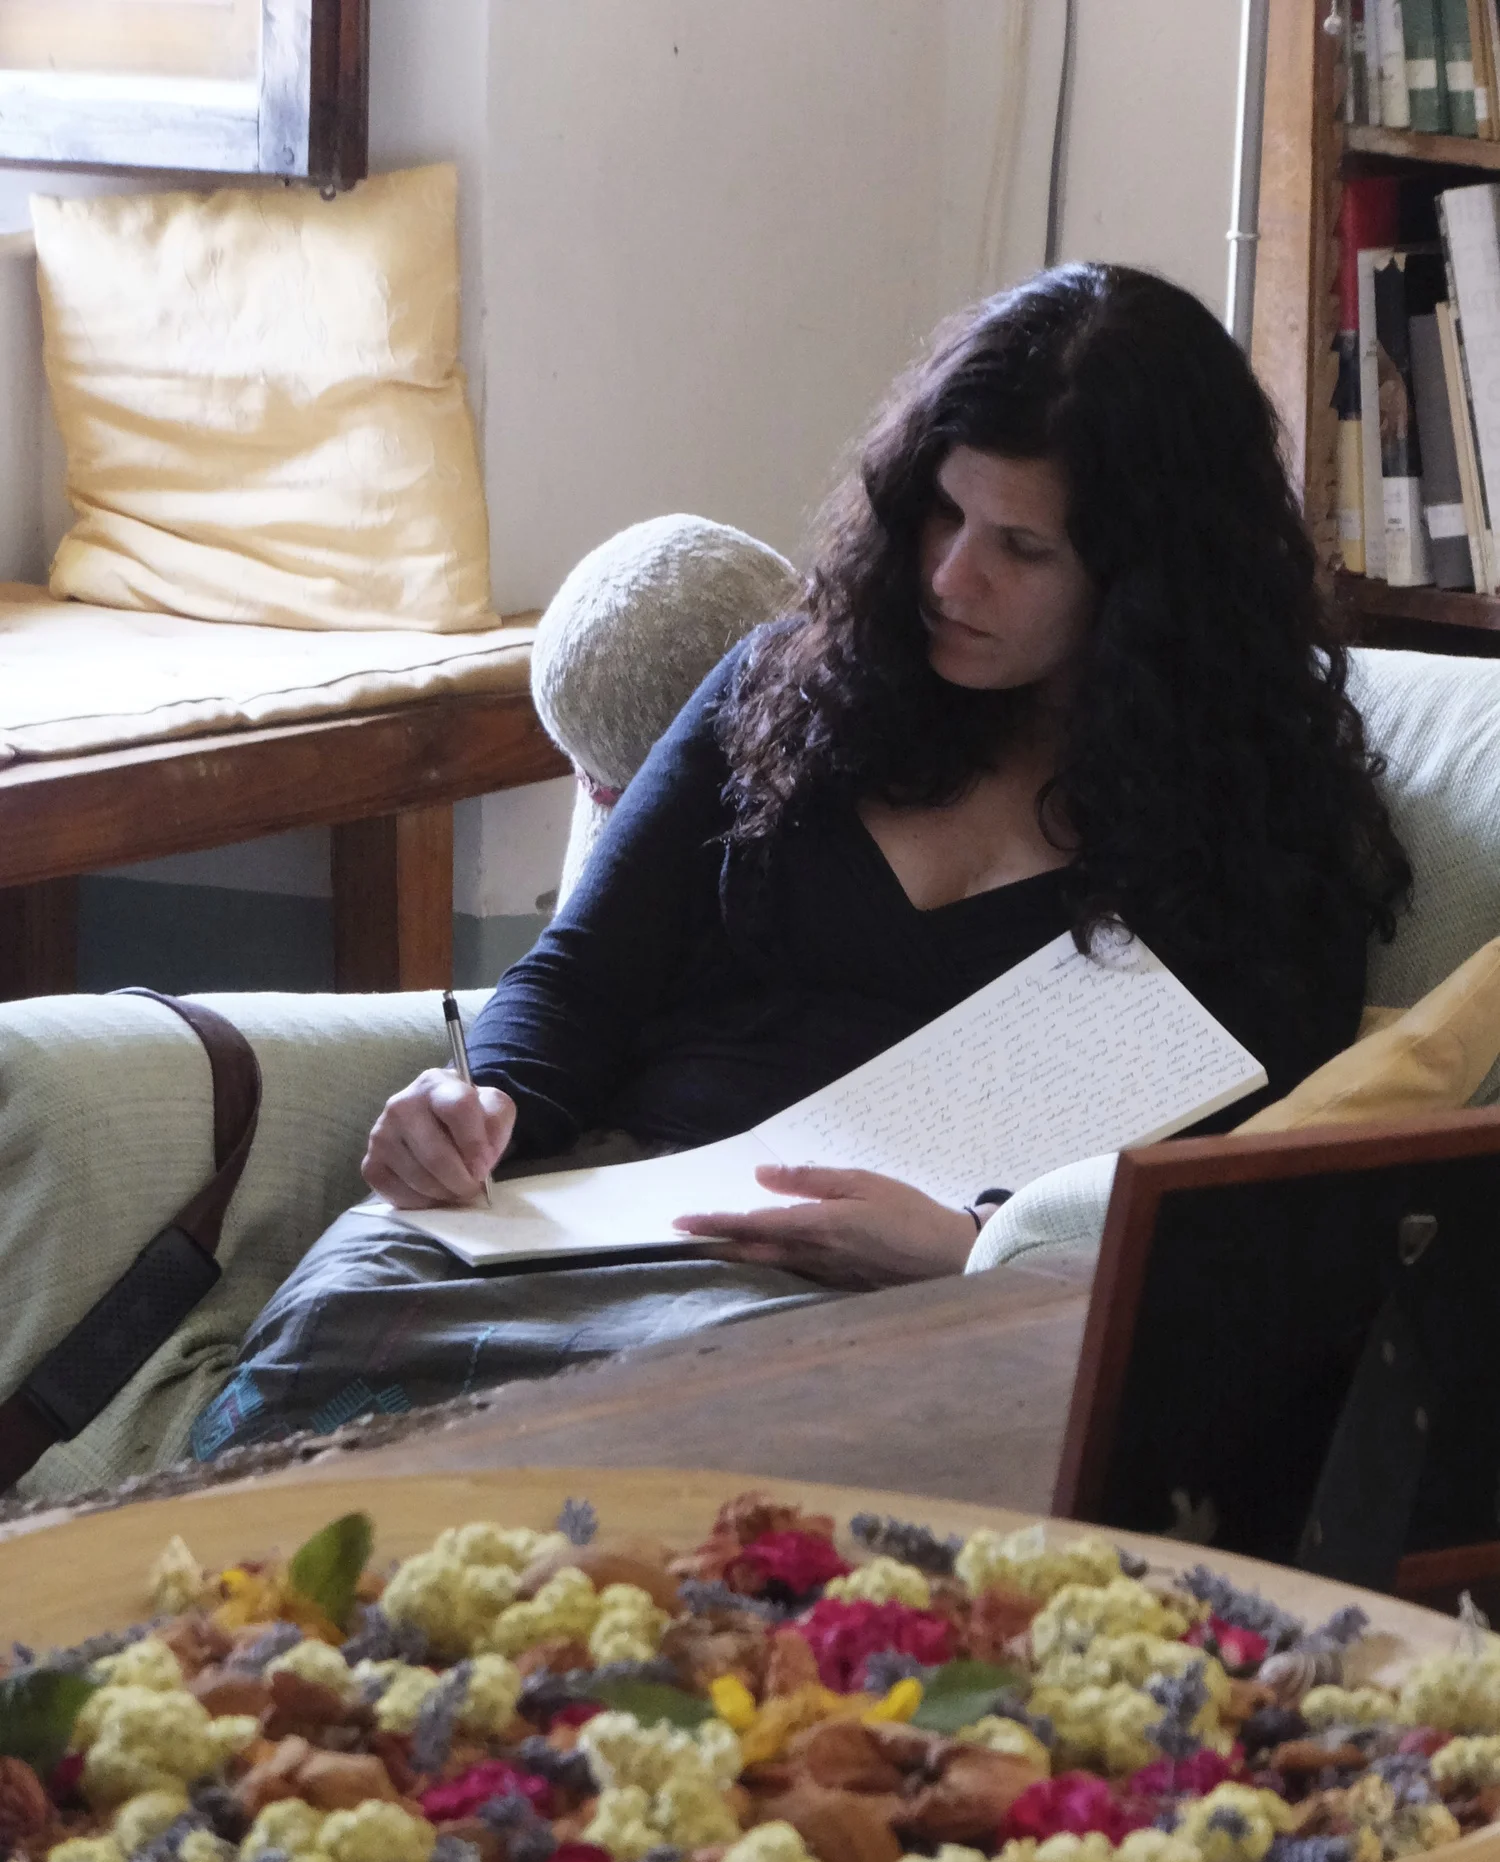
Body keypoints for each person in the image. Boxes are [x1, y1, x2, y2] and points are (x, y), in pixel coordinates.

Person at [190, 262, 1411, 1459]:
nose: (952, 576)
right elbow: (578, 979)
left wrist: (975, 1246)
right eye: (942, 511)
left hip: (907, 1299)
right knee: (347, 1297)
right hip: (605, 1203)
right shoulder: (788, 688)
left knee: (664, 1429)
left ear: (1150, 581)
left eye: (1022, 547)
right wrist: (479, 1103)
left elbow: (1241, 1199)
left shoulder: (1259, 835)